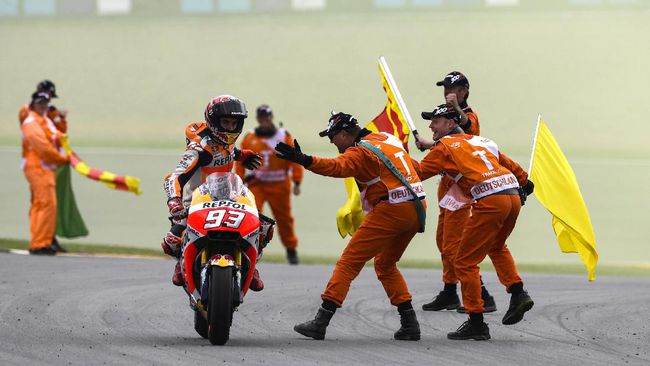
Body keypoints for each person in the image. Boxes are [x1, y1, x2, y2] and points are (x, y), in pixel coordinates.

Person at [275, 112, 426, 341]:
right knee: (385, 264)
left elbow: (337, 167)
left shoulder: (360, 152)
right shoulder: (386, 139)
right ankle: (410, 323)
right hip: (417, 207)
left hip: (392, 208)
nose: (332, 142)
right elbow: (417, 169)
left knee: (348, 262)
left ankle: (321, 321)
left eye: (332, 137)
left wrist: (304, 159)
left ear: (345, 134)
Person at [414, 104, 535, 340]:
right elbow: (515, 169)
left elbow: (417, 173)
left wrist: (392, 161)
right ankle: (518, 293)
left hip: (491, 201)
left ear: (450, 123)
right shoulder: (481, 141)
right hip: (512, 198)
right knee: (497, 247)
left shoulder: (445, 147)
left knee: (464, 262)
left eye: (435, 121)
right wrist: (526, 185)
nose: (430, 126)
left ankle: (476, 321)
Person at [415, 71, 496, 313]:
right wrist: (430, 145)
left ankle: (482, 295)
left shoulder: (468, 116)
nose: (449, 92)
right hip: (447, 186)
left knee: (455, 245)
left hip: (462, 189)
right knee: (443, 242)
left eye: (454, 88)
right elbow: (447, 144)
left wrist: (455, 111)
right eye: (446, 88)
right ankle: (450, 291)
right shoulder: (447, 116)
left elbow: (467, 135)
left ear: (465, 90)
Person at [162, 95, 263, 287]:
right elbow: (175, 176)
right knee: (171, 241)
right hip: (196, 202)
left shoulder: (225, 141)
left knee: (263, 228)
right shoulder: (199, 148)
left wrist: (242, 155)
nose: (230, 128)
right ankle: (181, 263)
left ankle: (251, 265)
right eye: (225, 122)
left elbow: (228, 151)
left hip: (230, 196)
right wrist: (174, 201)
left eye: (234, 123)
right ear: (214, 121)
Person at [235, 104, 303, 265]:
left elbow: (295, 159)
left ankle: (291, 250)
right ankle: (248, 248)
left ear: (271, 118)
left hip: (280, 185)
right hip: (257, 184)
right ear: (258, 119)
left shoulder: (283, 136)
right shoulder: (249, 138)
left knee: (284, 219)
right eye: (262, 118)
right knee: (252, 216)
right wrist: (239, 181)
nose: (264, 121)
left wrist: (297, 181)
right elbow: (240, 162)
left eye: (267, 117)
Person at [18, 80, 69, 253]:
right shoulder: (31, 119)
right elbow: (43, 146)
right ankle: (40, 242)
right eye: (41, 102)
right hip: (38, 166)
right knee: (44, 203)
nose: (45, 105)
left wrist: (59, 117)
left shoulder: (45, 118)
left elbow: (59, 135)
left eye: (47, 101)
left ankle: (44, 240)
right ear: (34, 104)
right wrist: (61, 159)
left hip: (46, 166)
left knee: (45, 204)